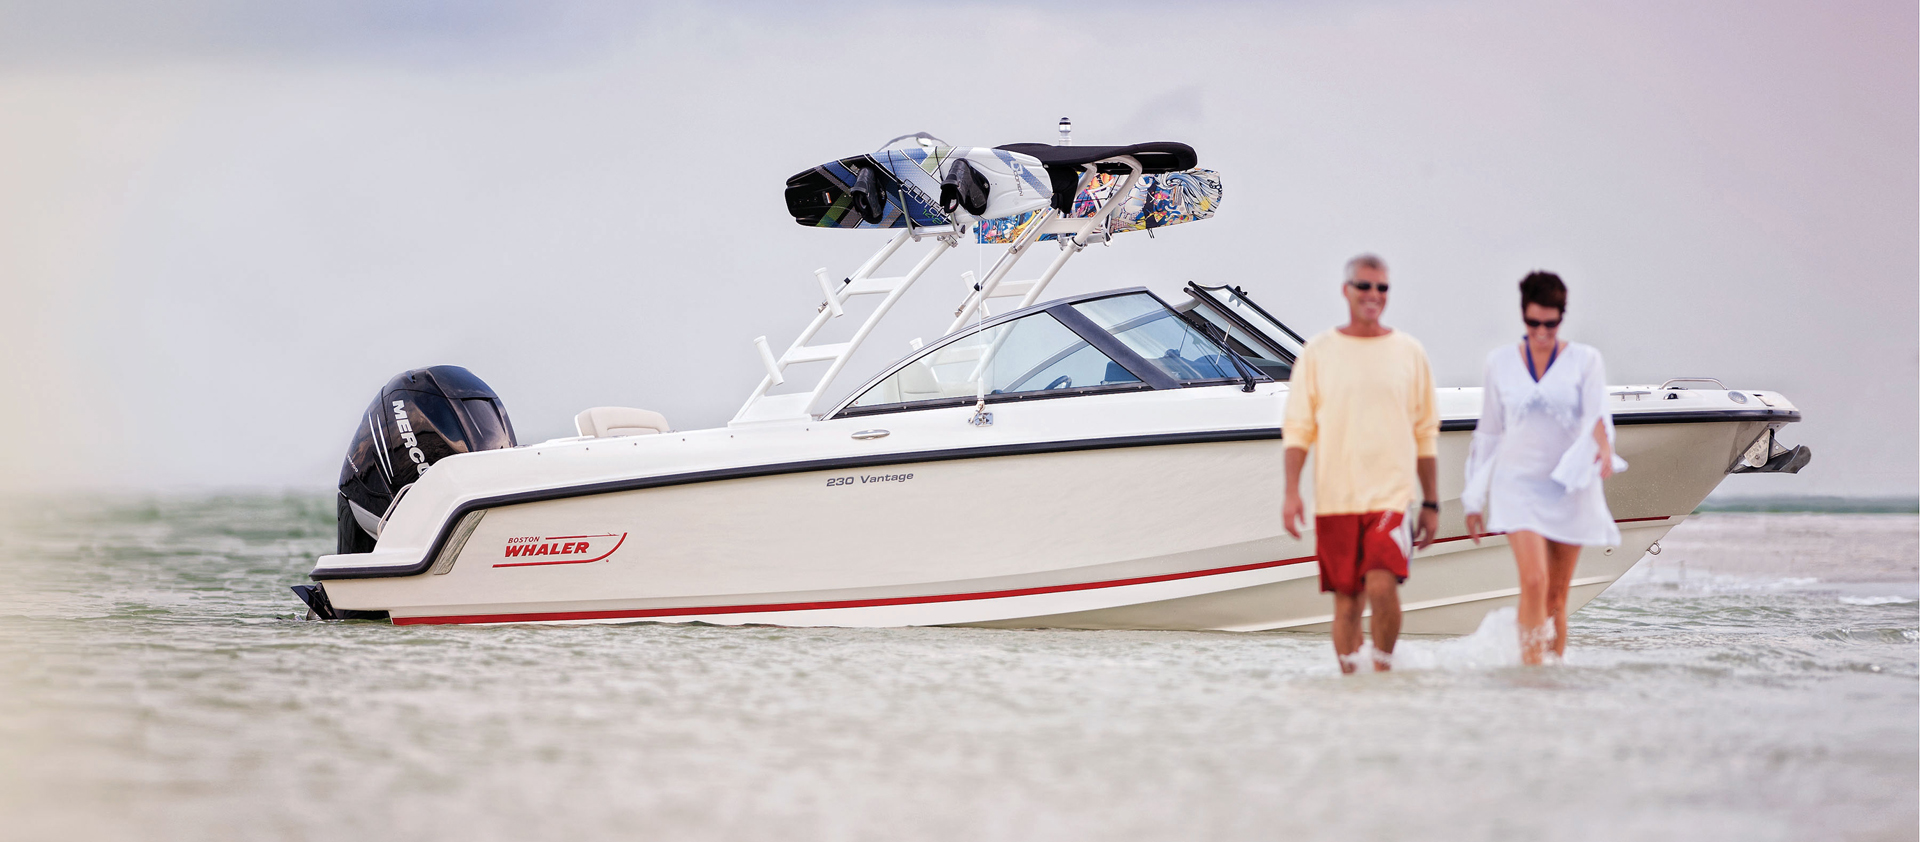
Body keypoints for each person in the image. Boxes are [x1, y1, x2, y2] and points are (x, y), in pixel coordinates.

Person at [1282, 254, 1440, 674]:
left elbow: (1426, 431)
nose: (1373, 295)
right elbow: (1298, 429)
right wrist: (1291, 492)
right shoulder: (1318, 352)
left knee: (1382, 583)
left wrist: (1432, 503)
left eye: (1382, 288)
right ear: (1346, 290)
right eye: (1364, 286)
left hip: (1390, 496)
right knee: (1347, 603)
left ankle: (1383, 672)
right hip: (1336, 499)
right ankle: (1353, 686)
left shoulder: (1409, 352)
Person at [1462, 271, 1628, 665]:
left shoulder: (1585, 360)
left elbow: (1597, 417)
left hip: (1568, 486)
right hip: (1516, 484)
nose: (1541, 332)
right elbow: (1488, 433)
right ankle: (1530, 674)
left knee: (1556, 596)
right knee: (1533, 581)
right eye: (1533, 323)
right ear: (1523, 316)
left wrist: (1604, 451)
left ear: (1561, 319)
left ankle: (1551, 686)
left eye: (1550, 324)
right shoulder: (1499, 362)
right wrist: (1472, 498)